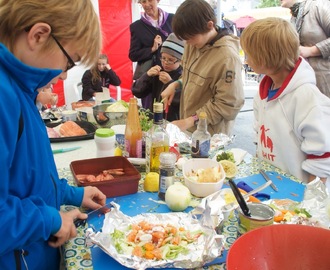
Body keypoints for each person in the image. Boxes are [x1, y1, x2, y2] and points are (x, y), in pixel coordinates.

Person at [0, 1, 107, 269]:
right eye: (69, 61)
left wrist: (71, 194)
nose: (63, 76)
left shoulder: (21, 89)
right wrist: (51, 220)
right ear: (38, 35)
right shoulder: (4, 96)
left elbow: (28, 176)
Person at [240, 17, 330, 184]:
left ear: (264, 58)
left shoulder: (307, 98)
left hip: (297, 191)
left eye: (248, 54)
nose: (246, 60)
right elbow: (259, 133)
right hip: (268, 182)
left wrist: (309, 201)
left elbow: (322, 157)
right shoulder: (263, 93)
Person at [161, 0, 244, 136]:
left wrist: (190, 120)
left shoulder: (227, 57)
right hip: (189, 129)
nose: (187, 43)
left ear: (209, 25)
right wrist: (176, 84)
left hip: (210, 135)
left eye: (190, 38)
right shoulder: (193, 43)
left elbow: (228, 104)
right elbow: (191, 75)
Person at [129, 0, 174, 109]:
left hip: (171, 75)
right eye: (143, 1)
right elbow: (133, 55)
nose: (147, 5)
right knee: (150, 112)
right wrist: (152, 49)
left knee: (171, 108)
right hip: (150, 78)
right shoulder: (137, 27)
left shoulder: (173, 19)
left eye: (150, 0)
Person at [281, 0, 330, 98]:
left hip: (324, 84)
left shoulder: (319, 5)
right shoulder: (296, 15)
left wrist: (312, 50)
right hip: (307, 84)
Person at [132, 33, 184, 121]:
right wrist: (146, 75)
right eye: (163, 58)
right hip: (154, 119)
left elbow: (182, 101)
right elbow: (137, 92)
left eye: (170, 60)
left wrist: (170, 83)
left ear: (181, 61)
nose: (165, 62)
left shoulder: (183, 76)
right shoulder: (158, 72)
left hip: (173, 122)